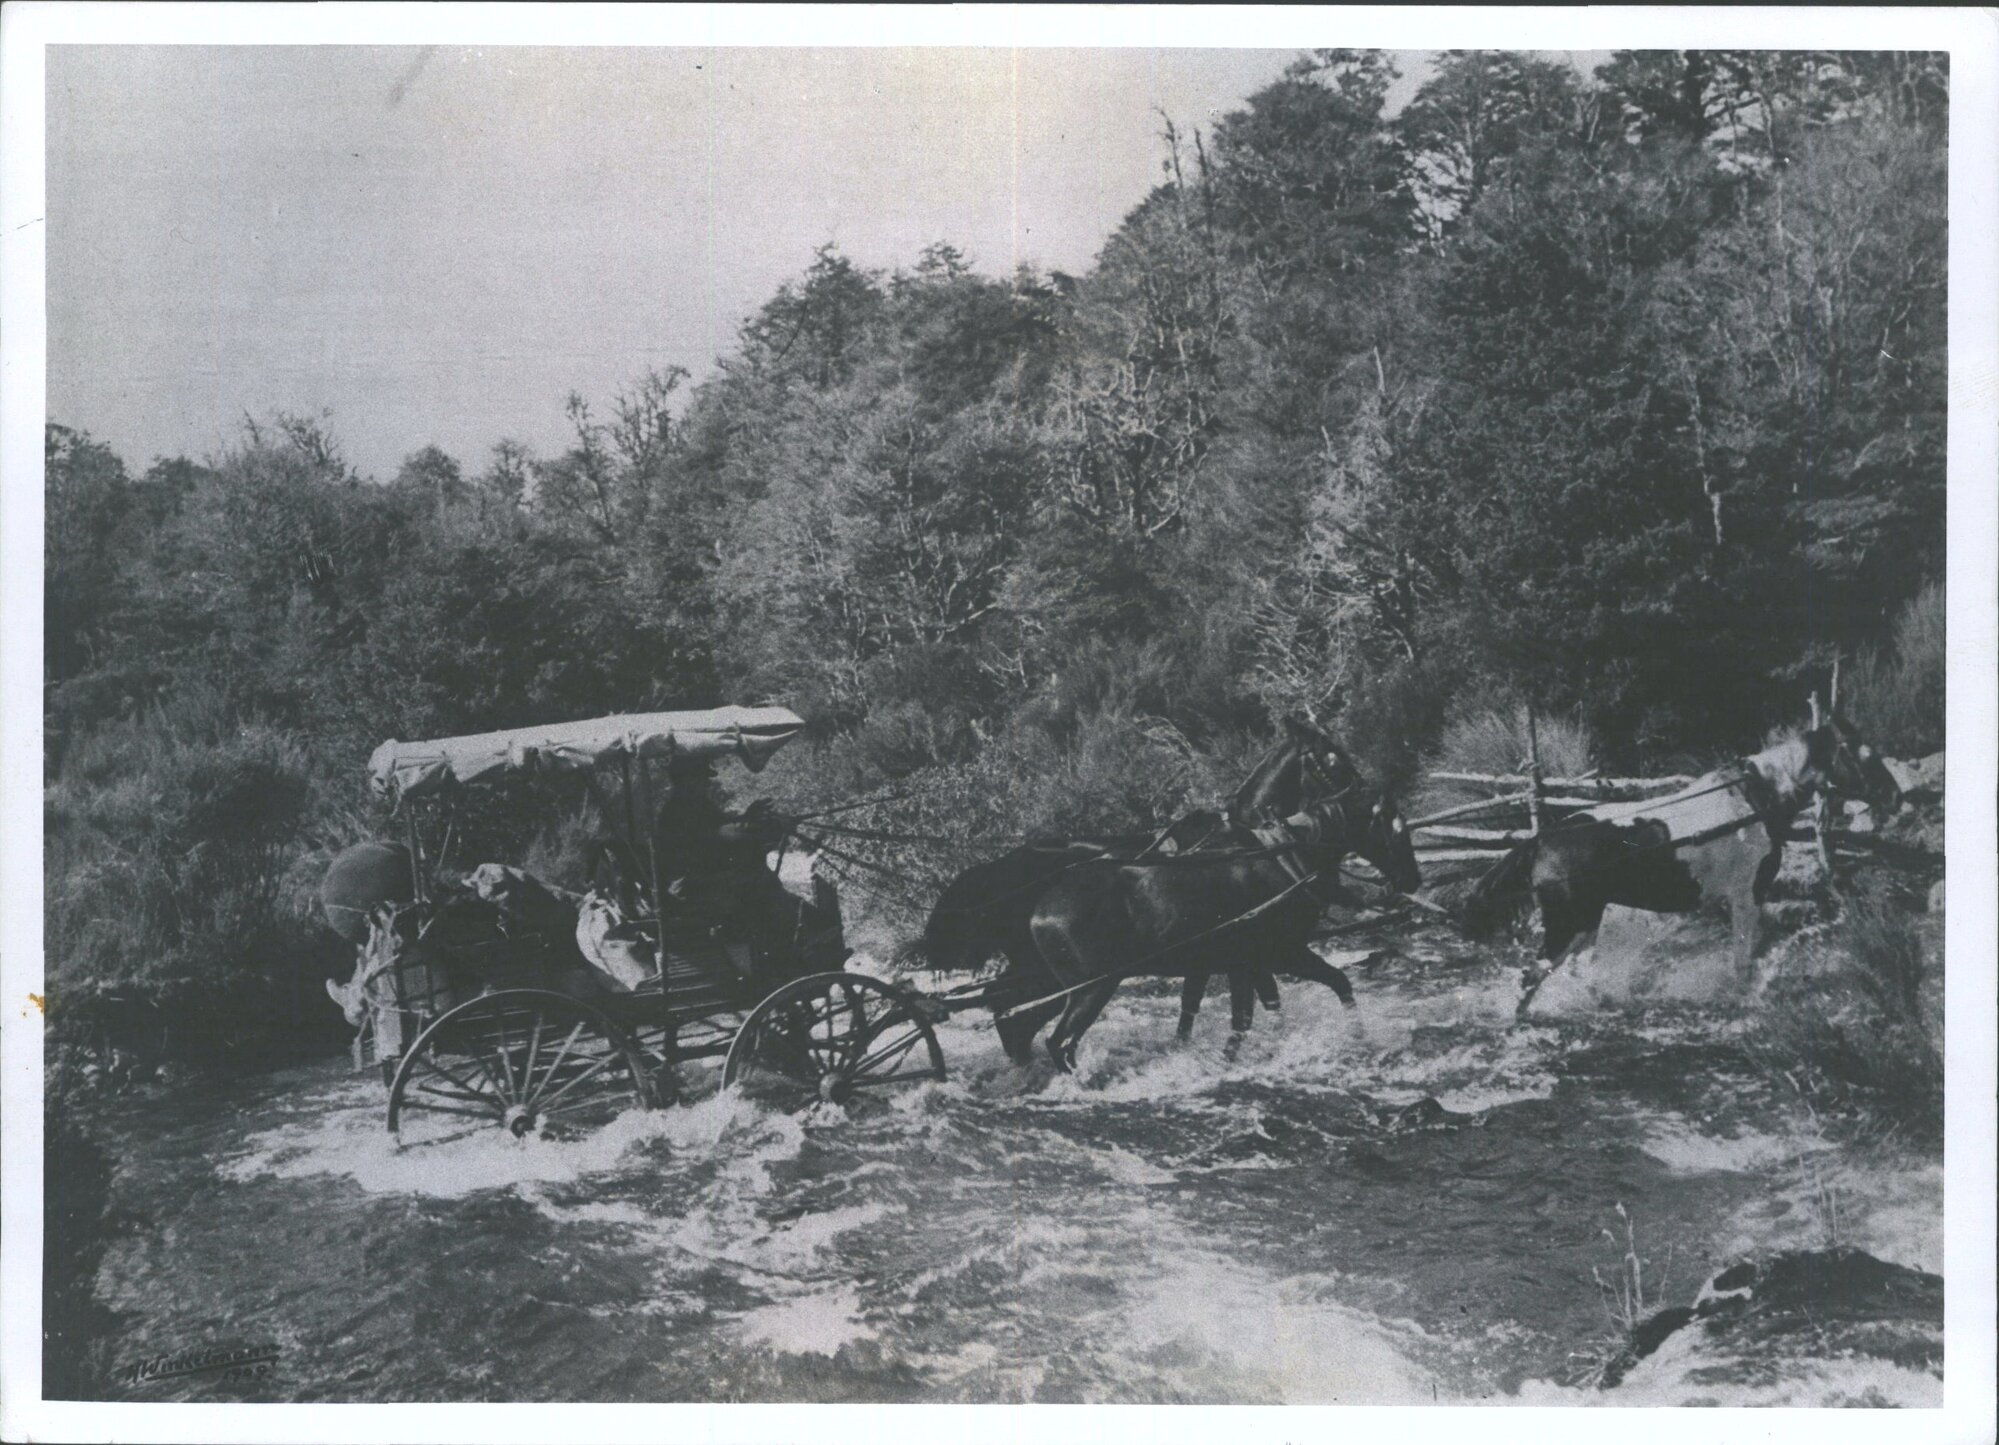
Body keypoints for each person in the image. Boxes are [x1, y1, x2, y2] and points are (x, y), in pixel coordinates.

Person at [649, 753, 790, 940]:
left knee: (761, 879)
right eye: (702, 778)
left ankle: (767, 942)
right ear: (686, 780)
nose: (707, 783)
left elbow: (721, 826)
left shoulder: (696, 804)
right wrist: (753, 828)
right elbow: (719, 834)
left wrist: (747, 817)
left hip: (701, 879)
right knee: (764, 884)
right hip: (690, 885)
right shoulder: (679, 810)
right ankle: (780, 947)